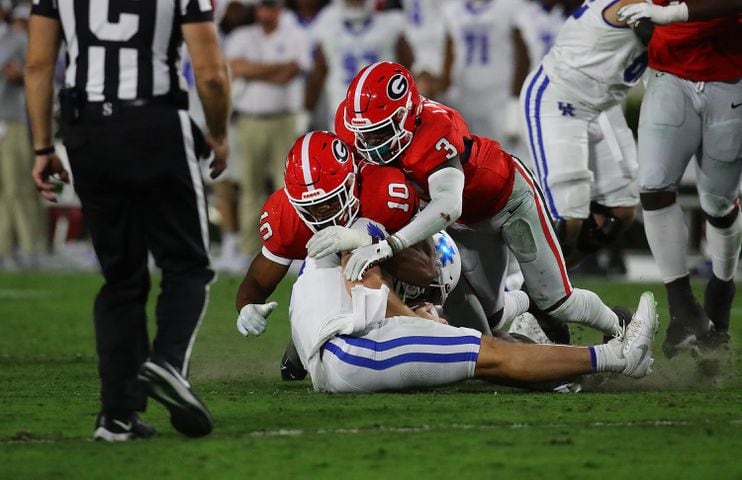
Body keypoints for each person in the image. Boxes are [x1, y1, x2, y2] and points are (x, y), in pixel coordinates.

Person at [310, 62, 633, 346]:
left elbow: (449, 204)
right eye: (366, 133)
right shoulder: (357, 126)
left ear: (408, 116)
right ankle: (529, 303)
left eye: (382, 132)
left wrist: (391, 244)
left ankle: (621, 327)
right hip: (464, 226)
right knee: (490, 318)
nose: (371, 143)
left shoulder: (436, 128)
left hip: (508, 202)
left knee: (558, 301)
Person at [26, 0, 231, 441]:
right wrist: (218, 131)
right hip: (155, 119)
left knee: (121, 279)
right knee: (188, 265)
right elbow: (211, 73)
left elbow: (38, 64)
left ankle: (116, 416)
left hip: (87, 131)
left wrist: (44, 148)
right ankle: (168, 363)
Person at [291, 217, 658, 393]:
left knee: (488, 353)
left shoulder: (341, 255)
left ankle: (565, 376)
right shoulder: (365, 241)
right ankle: (617, 356)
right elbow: (373, 289)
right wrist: (428, 323)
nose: (430, 299)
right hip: (347, 354)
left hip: (335, 350)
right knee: (490, 352)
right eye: (431, 291)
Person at [234, 130, 429, 378]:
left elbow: (425, 270)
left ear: (351, 182)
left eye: (330, 200)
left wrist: (369, 242)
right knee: (324, 256)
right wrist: (247, 307)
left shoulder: (384, 190)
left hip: (392, 262)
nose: (321, 211)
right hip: (329, 275)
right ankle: (309, 337)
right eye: (311, 206)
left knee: (444, 270)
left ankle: (419, 322)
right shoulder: (285, 216)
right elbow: (256, 284)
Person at [615, 0, 742, 357]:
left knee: (717, 202)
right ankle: (681, 302)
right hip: (668, 73)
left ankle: (721, 285)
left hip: (729, 78)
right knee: (653, 186)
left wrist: (672, 15)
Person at [520, 0, 652, 271]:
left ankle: (546, 293)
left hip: (603, 106)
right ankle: (520, 293)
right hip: (559, 99)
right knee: (567, 219)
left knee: (618, 213)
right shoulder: (634, 5)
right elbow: (653, 29)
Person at [225, 0, 312, 267]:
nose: (266, 12)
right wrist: (274, 68)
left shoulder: (295, 34)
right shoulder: (241, 36)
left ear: (280, 10)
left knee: (287, 188)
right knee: (249, 187)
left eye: (271, 7)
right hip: (249, 119)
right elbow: (236, 68)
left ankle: (290, 249)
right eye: (263, 7)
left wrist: (254, 70)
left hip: (283, 119)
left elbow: (291, 72)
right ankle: (247, 249)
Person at [304, 0, 413, 130]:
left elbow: (408, 69)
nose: (355, 2)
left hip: (384, 112)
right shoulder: (327, 26)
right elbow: (318, 75)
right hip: (342, 111)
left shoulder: (391, 24)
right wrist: (306, 110)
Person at [440, 0, 531, 155]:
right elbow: (449, 57)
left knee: (510, 155)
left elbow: (523, 57)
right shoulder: (451, 11)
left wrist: (515, 101)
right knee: (472, 156)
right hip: (464, 98)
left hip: (499, 97)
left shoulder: (511, 7)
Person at [0, 3, 47, 270]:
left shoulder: (17, 38)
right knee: (2, 191)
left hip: (12, 120)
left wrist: (19, 75)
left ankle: (31, 249)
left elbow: (34, 73)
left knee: (17, 187)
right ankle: (3, 249)